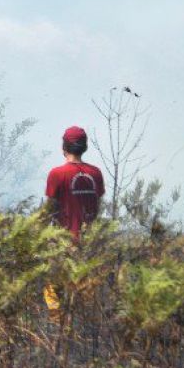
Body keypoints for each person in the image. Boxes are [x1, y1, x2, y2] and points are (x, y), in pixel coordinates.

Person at [43, 125, 105, 313]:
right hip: (91, 244)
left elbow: (49, 210)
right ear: (84, 147)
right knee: (85, 292)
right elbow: (98, 206)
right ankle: (84, 330)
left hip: (64, 244)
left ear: (64, 148)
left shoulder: (57, 174)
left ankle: (57, 327)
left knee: (52, 288)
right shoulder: (96, 173)